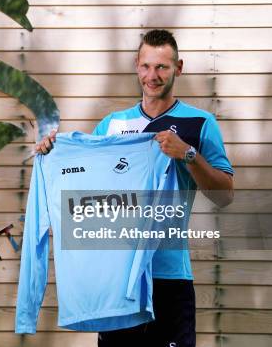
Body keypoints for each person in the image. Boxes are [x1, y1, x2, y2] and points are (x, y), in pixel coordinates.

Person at [34, 29, 234, 346]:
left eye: (162, 67)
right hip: (117, 280)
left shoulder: (199, 123)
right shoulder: (112, 125)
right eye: (146, 66)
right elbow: (89, 192)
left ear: (178, 68)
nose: (152, 76)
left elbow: (224, 195)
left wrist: (189, 155)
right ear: (136, 65)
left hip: (169, 277)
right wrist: (53, 153)